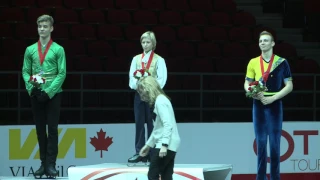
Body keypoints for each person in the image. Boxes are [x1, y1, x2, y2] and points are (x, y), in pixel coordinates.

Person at [244, 31, 293, 180]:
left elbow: (289, 85)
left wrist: (273, 98)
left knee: (274, 145)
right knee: (261, 143)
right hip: (258, 105)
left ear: (272, 43)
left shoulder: (282, 62)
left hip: (275, 105)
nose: (262, 43)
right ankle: (260, 178)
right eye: (260, 41)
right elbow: (247, 83)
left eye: (266, 41)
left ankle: (275, 178)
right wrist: (252, 92)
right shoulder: (253, 62)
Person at [22, 14, 66, 178]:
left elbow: (62, 74)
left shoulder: (58, 49)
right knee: (40, 130)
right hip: (36, 93)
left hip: (53, 94)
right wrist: (30, 89)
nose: (42, 29)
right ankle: (43, 164)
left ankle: (51, 165)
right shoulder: (30, 50)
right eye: (40, 26)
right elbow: (25, 71)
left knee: (52, 130)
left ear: (51, 28)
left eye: (45, 26)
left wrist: (49, 92)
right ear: (37, 28)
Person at [128, 31, 167, 164]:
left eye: (148, 42)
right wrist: (138, 86)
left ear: (153, 43)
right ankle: (139, 152)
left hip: (152, 95)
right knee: (139, 123)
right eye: (143, 42)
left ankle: (152, 152)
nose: (145, 45)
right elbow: (131, 78)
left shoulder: (159, 60)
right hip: (139, 94)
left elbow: (162, 79)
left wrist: (151, 88)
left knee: (152, 123)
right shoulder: (136, 59)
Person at [137, 76, 180, 180]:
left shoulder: (160, 101)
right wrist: (148, 145)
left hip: (165, 144)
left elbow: (167, 124)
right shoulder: (160, 100)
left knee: (153, 175)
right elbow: (158, 128)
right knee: (166, 176)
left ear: (148, 88)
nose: (141, 95)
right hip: (170, 143)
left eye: (141, 91)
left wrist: (164, 144)